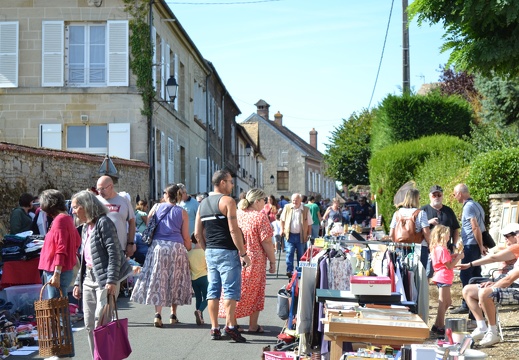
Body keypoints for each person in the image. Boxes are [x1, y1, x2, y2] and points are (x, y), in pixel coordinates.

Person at [71, 190, 133, 359]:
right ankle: (96, 357)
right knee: (89, 324)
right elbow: (85, 257)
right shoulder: (85, 227)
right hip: (89, 278)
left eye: (76, 207)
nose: (74, 211)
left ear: (86, 207)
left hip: (105, 278)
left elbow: (114, 253)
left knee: (101, 321)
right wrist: (78, 281)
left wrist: (112, 280)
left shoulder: (104, 223)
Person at [194, 169, 251, 343]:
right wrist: (243, 253)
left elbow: (197, 233)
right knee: (230, 290)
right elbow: (234, 230)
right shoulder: (228, 201)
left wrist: (207, 249)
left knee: (213, 290)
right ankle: (230, 326)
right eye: (230, 181)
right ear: (222, 183)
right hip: (227, 250)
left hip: (211, 250)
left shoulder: (202, 204)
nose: (233, 185)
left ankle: (214, 328)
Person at [131, 183, 192, 327]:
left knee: (160, 278)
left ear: (166, 194)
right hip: (176, 247)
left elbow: (149, 227)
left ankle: (158, 314)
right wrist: (189, 246)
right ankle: (173, 314)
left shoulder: (156, 207)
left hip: (158, 247)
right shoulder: (182, 212)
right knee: (174, 279)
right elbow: (185, 236)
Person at [220, 189, 275, 333]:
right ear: (257, 201)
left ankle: (233, 322)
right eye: (264, 200)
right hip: (254, 259)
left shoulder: (238, 214)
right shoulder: (260, 217)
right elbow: (267, 242)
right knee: (255, 291)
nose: (265, 203)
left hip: (237, 255)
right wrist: (273, 261)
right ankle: (253, 325)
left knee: (235, 289)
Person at [457, 223, 519, 347]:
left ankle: (493, 332)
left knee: (485, 292)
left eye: (508, 236)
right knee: (468, 290)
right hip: (510, 284)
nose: (507, 239)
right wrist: (494, 283)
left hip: (516, 289)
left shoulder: (515, 248)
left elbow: (509, 279)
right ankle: (481, 327)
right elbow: (495, 261)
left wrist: (491, 288)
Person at [450, 183, 487, 314]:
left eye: (455, 194)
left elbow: (475, 227)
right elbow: (483, 227)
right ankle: (479, 302)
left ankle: (467, 304)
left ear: (460, 194)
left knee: (466, 273)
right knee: (476, 273)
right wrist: (482, 244)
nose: (455, 197)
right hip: (476, 244)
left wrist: (481, 245)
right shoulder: (477, 205)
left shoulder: (468, 207)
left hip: (471, 245)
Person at [38, 189, 82, 299]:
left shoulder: (60, 220)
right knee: (61, 307)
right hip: (62, 269)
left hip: (57, 270)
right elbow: (77, 241)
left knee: (57, 308)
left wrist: (57, 273)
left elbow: (60, 248)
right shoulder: (66, 218)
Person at [429, 225, 464, 336]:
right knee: (443, 303)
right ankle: (440, 326)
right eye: (448, 234)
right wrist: (458, 259)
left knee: (446, 302)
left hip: (443, 276)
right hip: (444, 276)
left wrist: (453, 256)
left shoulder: (437, 248)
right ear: (443, 235)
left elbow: (445, 261)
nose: (449, 236)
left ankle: (436, 325)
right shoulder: (442, 249)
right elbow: (449, 266)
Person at [421, 185, 461, 275]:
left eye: (439, 195)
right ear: (430, 196)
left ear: (442, 196)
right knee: (427, 274)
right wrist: (428, 222)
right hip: (428, 248)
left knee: (444, 273)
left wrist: (454, 244)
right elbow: (417, 228)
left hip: (445, 249)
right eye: (434, 195)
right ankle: (426, 289)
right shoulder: (423, 210)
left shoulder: (449, 211)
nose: (437, 197)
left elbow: (455, 229)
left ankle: (442, 288)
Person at [388, 188, 431, 269]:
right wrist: (431, 245)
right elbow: (426, 232)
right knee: (419, 275)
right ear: (416, 199)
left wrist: (396, 245)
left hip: (401, 247)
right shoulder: (421, 213)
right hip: (419, 248)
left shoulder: (397, 213)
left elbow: (391, 234)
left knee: (402, 273)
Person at [96, 175, 136, 257]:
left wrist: (130, 243)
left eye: (103, 189)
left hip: (119, 247)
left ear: (111, 186)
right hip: (99, 248)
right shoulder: (96, 200)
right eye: (98, 189)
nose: (100, 192)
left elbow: (132, 222)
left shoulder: (123, 200)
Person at [280, 193, 312, 278]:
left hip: (301, 235)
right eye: (293, 200)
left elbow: (309, 223)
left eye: (296, 200)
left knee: (301, 254)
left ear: (300, 200)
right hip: (289, 235)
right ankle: (289, 270)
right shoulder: (287, 207)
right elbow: (282, 220)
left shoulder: (305, 209)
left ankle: (299, 271)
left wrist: (309, 234)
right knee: (289, 252)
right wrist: (282, 230)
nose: (295, 201)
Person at [188, 232, 208, 326]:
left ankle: (201, 317)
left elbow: (188, 267)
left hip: (194, 278)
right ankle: (200, 311)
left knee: (198, 298)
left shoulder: (189, 253)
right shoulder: (205, 252)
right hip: (204, 276)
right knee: (208, 297)